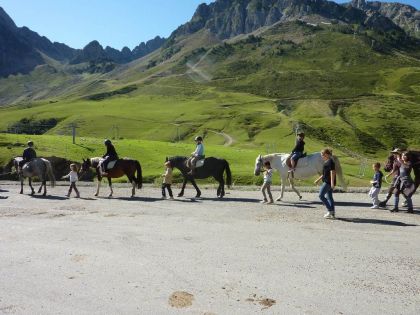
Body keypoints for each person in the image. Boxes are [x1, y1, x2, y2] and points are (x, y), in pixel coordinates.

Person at [314, 148, 336, 219]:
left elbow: (332, 172)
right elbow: (324, 174)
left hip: (328, 182)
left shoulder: (330, 162)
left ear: (326, 154)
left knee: (321, 195)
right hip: (327, 181)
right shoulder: (327, 161)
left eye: (322, 155)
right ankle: (332, 213)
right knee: (329, 197)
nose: (322, 157)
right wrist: (318, 180)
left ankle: (330, 211)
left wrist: (332, 183)